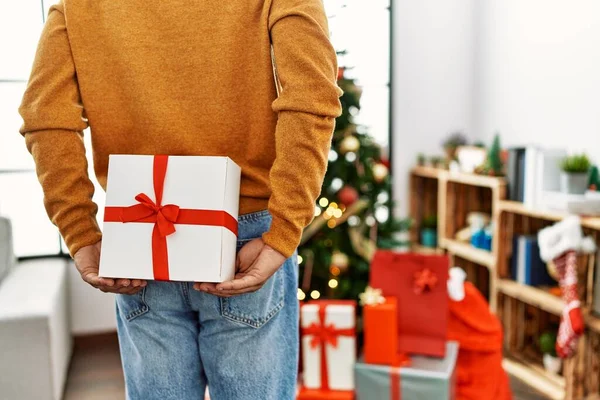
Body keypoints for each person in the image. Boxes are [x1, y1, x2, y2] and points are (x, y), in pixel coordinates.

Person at [18, 0, 341, 399]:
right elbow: (312, 99)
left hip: (140, 234)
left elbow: (43, 117)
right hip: (248, 238)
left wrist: (80, 233)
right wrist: (284, 229)